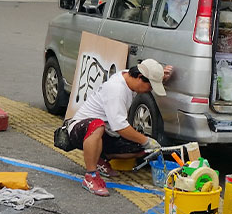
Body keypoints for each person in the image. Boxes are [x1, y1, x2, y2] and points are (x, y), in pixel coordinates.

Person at [67, 59, 172, 197]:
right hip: (80, 129)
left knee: (142, 149)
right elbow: (120, 127)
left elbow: (145, 71)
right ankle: (90, 176)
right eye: (150, 86)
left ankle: (100, 158)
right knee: (98, 125)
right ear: (140, 78)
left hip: (106, 132)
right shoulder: (116, 89)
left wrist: (158, 74)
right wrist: (146, 140)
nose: (150, 90)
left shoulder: (130, 76)